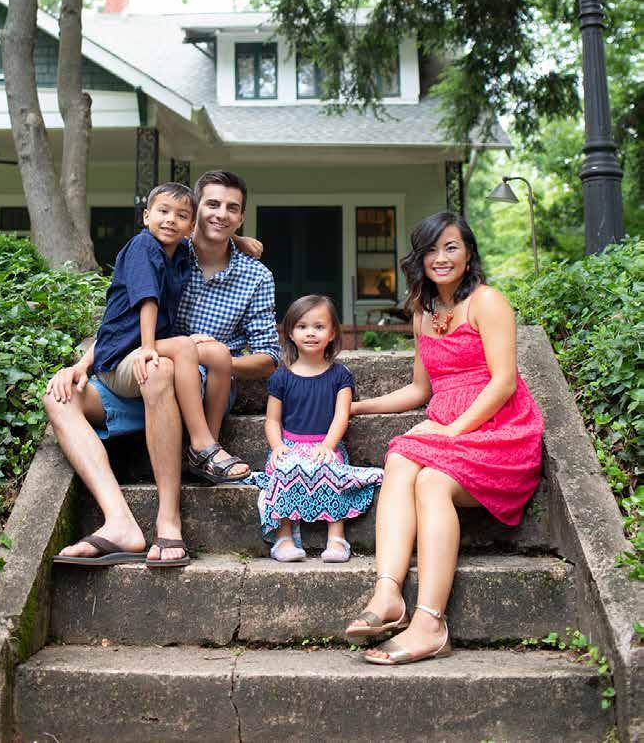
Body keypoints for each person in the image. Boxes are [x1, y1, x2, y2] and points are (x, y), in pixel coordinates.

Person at [44, 170, 280, 567]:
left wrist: (214, 355)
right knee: (60, 398)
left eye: (232, 209)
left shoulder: (255, 276)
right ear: (196, 214)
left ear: (241, 217)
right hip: (141, 367)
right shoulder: (167, 247)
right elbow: (126, 316)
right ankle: (119, 523)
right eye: (212, 205)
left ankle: (169, 520)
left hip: (199, 385)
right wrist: (82, 364)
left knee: (162, 368)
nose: (221, 214)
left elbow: (269, 358)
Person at [345, 211, 544, 665]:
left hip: (501, 429)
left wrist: (452, 430)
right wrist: (356, 407)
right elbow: (420, 390)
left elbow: (504, 383)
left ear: (468, 254)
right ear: (420, 258)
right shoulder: (424, 312)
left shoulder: (487, 302)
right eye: (431, 249)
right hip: (450, 428)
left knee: (432, 481)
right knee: (400, 458)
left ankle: (431, 623)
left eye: (451, 247)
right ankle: (388, 594)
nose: (441, 257)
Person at [255, 294, 382, 563]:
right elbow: (273, 420)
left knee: (330, 469)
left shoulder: (340, 375)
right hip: (289, 445)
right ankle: (284, 537)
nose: (310, 333)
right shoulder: (281, 377)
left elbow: (341, 416)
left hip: (326, 444)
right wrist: (277, 446)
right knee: (283, 469)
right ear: (290, 333)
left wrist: (328, 445)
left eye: (319, 327)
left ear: (332, 333)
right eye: (302, 326)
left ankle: (336, 537)